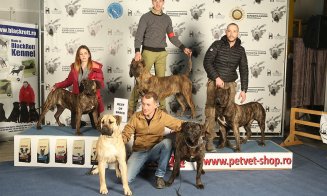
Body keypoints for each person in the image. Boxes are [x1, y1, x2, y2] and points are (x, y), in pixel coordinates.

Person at [128, 0, 192, 117]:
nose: (158, 4)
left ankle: (162, 110)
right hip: (147, 53)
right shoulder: (145, 17)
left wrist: (183, 48)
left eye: (160, 1)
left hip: (161, 53)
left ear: (163, 3)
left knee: (163, 85)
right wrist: (138, 51)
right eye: (155, 1)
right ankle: (130, 109)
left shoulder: (167, 19)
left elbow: (172, 37)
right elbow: (139, 36)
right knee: (140, 85)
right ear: (152, 2)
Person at [203, 23, 249, 152]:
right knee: (211, 112)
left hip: (230, 86)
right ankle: (209, 141)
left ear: (238, 33)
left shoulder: (241, 50)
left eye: (234, 31)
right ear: (226, 31)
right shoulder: (217, 44)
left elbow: (244, 69)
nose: (231, 33)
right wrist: (216, 77)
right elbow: (207, 61)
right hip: (215, 83)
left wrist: (244, 89)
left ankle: (225, 139)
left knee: (229, 114)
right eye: (229, 31)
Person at [122, 91, 183, 189]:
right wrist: (119, 141)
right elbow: (126, 132)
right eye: (143, 104)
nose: (144, 107)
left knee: (167, 143)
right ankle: (140, 165)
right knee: (126, 179)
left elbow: (179, 124)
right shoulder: (136, 117)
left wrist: (195, 128)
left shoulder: (162, 116)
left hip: (155, 151)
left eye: (148, 105)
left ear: (156, 105)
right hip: (139, 151)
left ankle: (159, 176)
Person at [52, 45, 105, 129]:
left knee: (95, 126)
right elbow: (68, 81)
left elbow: (101, 83)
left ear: (89, 55)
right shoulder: (75, 68)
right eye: (81, 54)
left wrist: (95, 81)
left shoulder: (96, 68)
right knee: (74, 125)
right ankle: (81, 122)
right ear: (78, 56)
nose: (83, 55)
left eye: (85, 53)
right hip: (78, 100)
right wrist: (56, 85)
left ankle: (89, 122)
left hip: (91, 100)